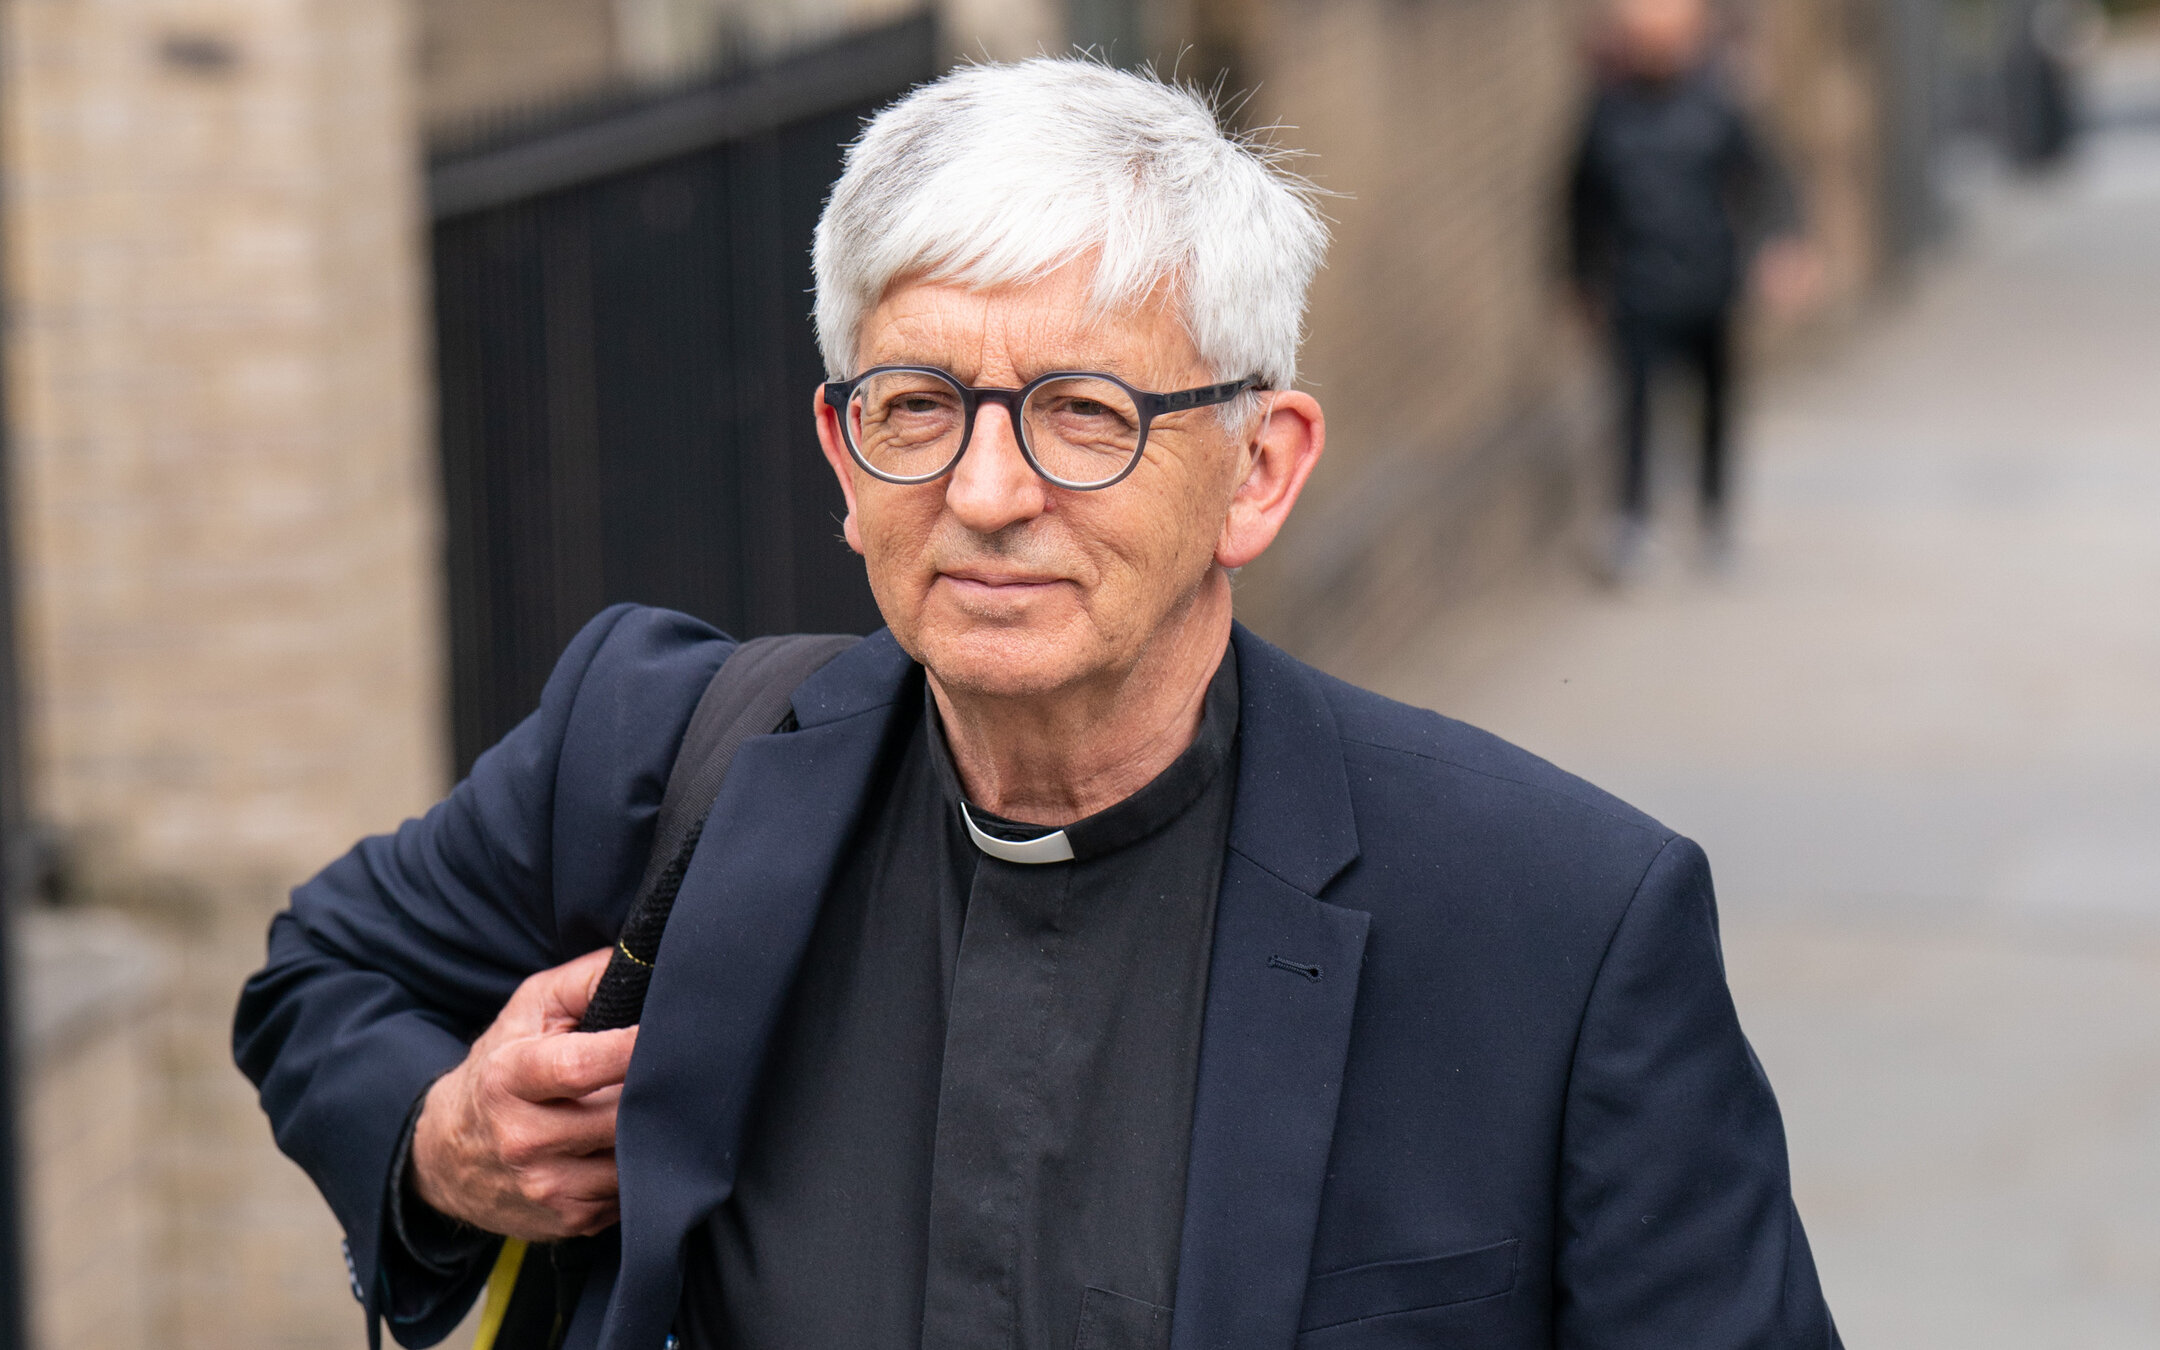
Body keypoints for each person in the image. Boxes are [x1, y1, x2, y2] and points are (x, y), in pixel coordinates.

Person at [235, 58, 1842, 1350]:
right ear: (840, 454)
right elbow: (320, 972)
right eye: (918, 404)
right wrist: (445, 1148)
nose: (989, 491)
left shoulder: (1559, 925)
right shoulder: (657, 754)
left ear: (1260, 469)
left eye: (1087, 410)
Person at [1568, 0, 1815, 576]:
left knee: (1717, 404)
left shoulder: (1720, 105)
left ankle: (1714, 519)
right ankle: (1632, 522)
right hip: (1636, 287)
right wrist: (1581, 279)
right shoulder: (1606, 112)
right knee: (1633, 407)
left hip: (1710, 282)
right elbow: (1578, 203)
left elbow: (1771, 179)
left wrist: (1782, 245)